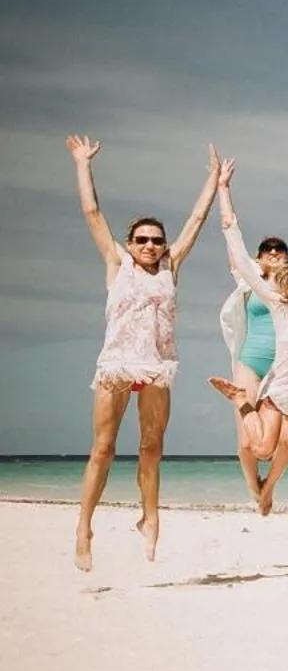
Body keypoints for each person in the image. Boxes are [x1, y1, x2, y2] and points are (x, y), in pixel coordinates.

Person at [67, 134, 221, 570]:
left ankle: (149, 519)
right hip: (116, 364)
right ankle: (84, 526)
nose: (151, 245)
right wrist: (83, 163)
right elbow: (92, 212)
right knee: (104, 448)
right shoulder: (117, 264)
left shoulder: (171, 268)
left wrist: (213, 179)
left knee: (152, 446)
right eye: (142, 239)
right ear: (130, 242)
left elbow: (196, 220)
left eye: (157, 240)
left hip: (156, 367)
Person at [206, 168, 288, 518]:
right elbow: (237, 255)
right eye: (267, 249)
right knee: (257, 445)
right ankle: (256, 485)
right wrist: (223, 193)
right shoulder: (270, 297)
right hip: (263, 372)